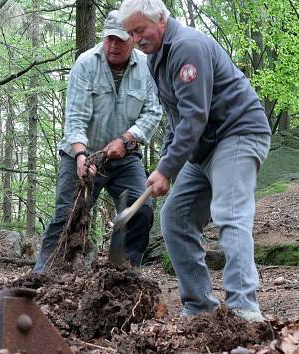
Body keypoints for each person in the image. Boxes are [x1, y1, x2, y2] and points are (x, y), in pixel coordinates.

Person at [118, 0, 272, 321]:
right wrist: (164, 164)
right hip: (203, 147)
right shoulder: (155, 58)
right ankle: (199, 306)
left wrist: (167, 169)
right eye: (131, 33)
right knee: (174, 218)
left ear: (160, 19)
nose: (136, 39)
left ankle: (244, 308)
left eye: (140, 30)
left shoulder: (188, 47)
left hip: (238, 133)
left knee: (229, 213)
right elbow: (176, 122)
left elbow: (194, 117)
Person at [33, 10, 162, 273]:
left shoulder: (147, 68)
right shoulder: (86, 64)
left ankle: (125, 276)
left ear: (133, 40)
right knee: (67, 215)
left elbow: (153, 112)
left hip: (125, 158)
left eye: (121, 40)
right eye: (109, 39)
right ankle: (44, 276)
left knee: (141, 211)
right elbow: (75, 117)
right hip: (83, 155)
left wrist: (126, 140)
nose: (113, 46)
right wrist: (81, 155)